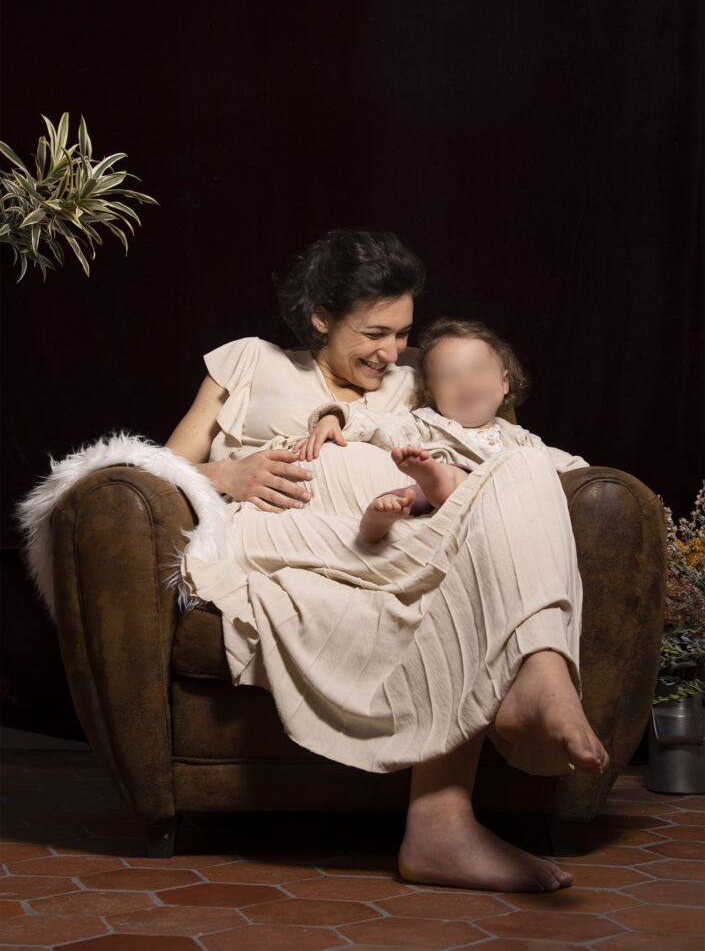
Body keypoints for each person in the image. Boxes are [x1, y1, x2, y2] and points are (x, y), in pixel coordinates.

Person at [165, 227, 607, 895]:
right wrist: (228, 472)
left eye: (402, 333)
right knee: (491, 522)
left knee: (519, 467)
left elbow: (473, 445)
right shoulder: (249, 362)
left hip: (400, 532)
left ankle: (489, 753)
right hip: (296, 530)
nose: (392, 351)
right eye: (375, 333)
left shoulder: (413, 384)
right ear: (321, 317)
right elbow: (160, 466)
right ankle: (508, 722)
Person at [292, 317, 590, 542]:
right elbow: (376, 423)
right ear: (433, 393)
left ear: (504, 383)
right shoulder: (427, 423)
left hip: (505, 515)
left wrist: (570, 477)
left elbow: (574, 469)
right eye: (450, 377)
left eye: (477, 370)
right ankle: (413, 501)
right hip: (450, 518)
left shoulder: (521, 439)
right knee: (435, 479)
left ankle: (442, 485)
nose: (467, 384)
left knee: (530, 464)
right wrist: (335, 418)